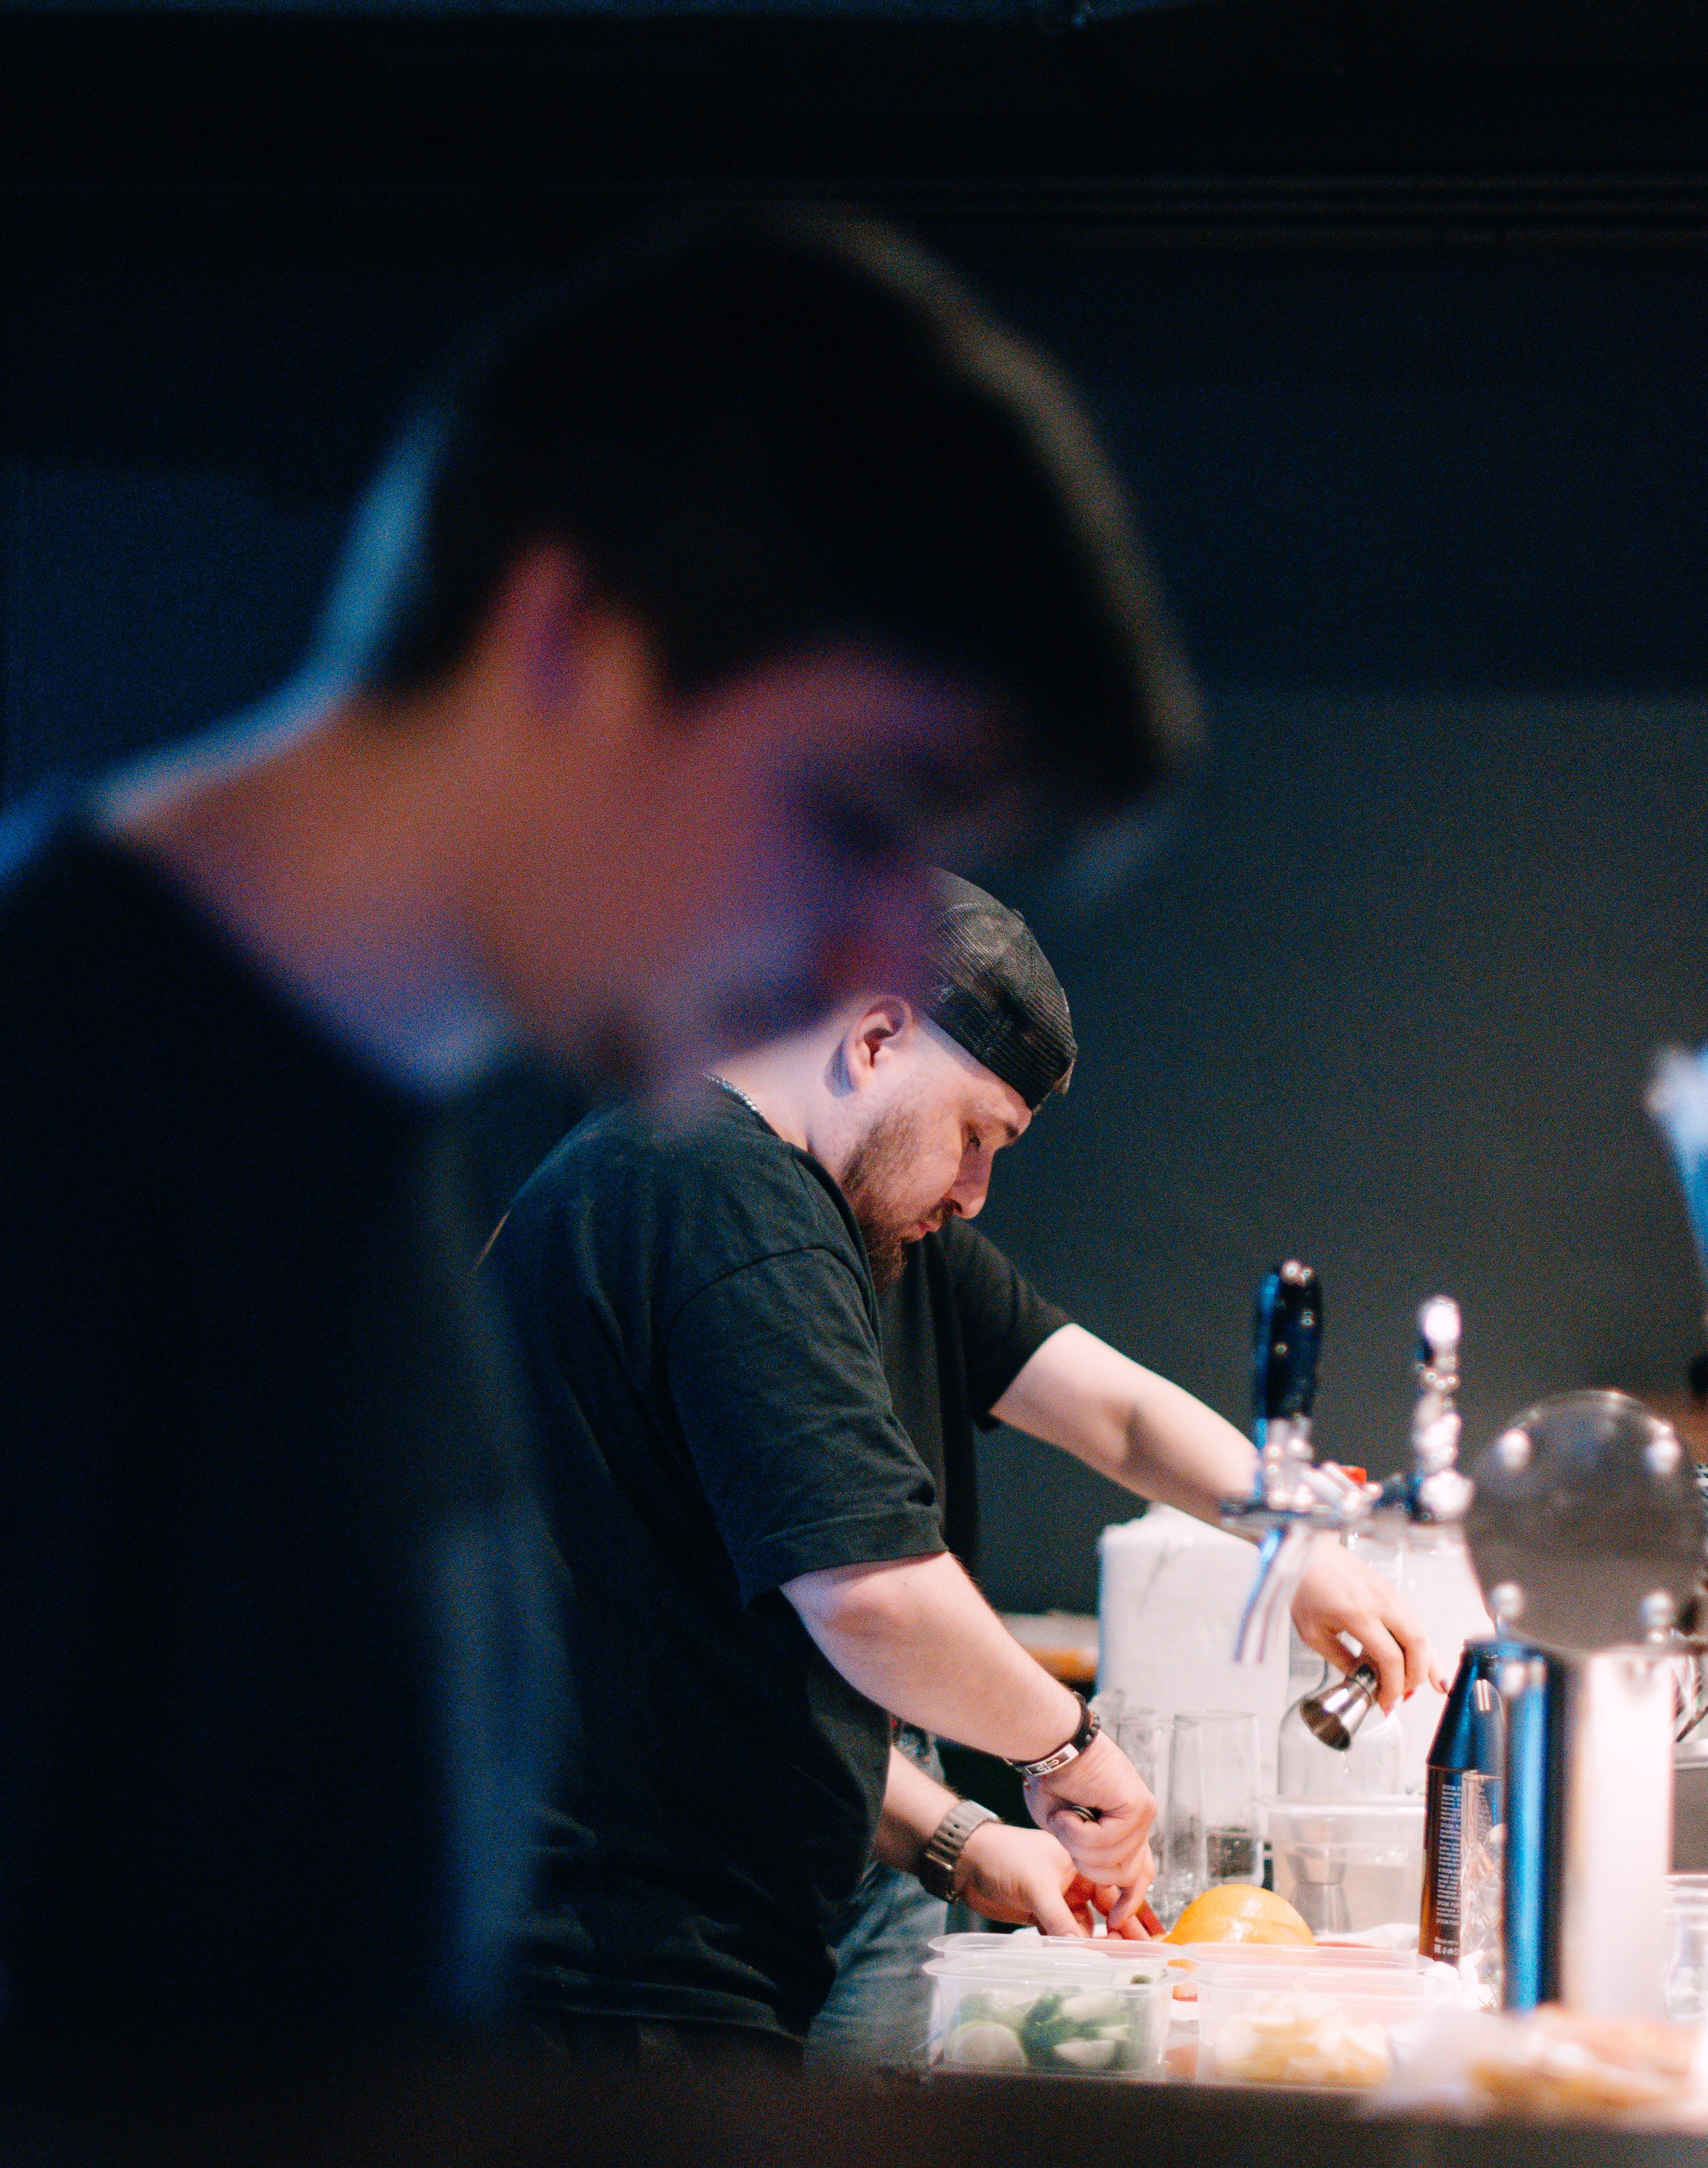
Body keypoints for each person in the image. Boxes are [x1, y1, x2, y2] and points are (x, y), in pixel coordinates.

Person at [0, 214, 1191, 2049]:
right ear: (577, 639)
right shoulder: (68, 1101)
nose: (874, 967)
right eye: (855, 813)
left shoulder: (349, 1142)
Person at [488, 875, 1433, 2066]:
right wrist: (1067, 1749)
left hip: (701, 1933)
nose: (977, 1189)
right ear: (877, 1039)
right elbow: (875, 1596)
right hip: (613, 1956)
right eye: (974, 1133)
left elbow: (1118, 1415)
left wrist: (1295, 1540)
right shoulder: (720, 1195)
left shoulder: (858, 1227)